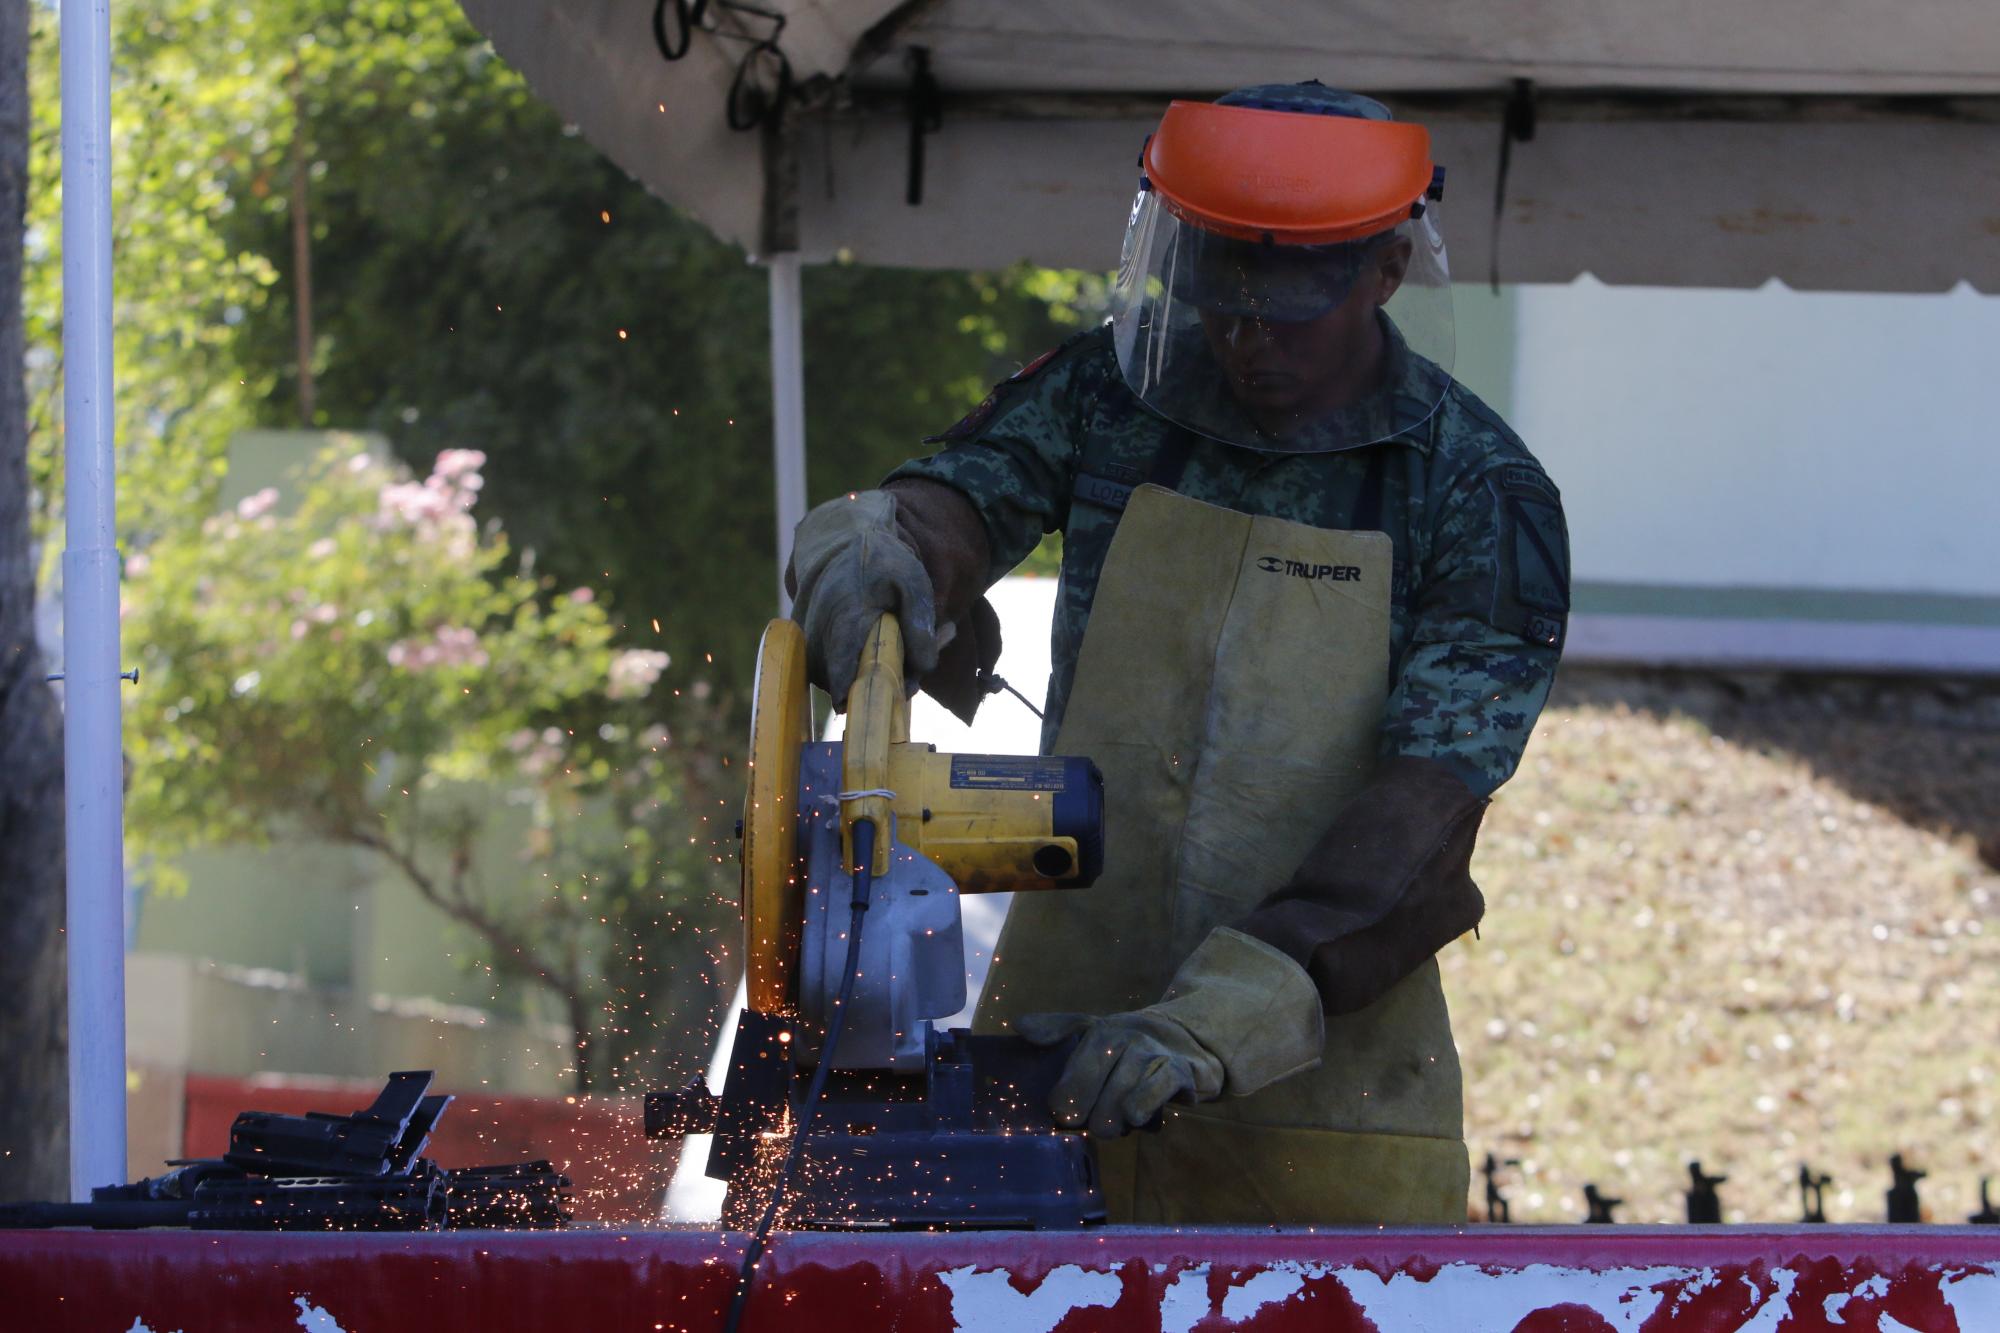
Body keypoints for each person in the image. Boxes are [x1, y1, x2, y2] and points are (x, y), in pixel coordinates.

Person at [785, 82, 1569, 1224]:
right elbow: (956, 498)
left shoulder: (1477, 494)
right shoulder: (1109, 398)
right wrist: (884, 554)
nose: (1247, 341)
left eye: (1287, 311)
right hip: (1055, 1067)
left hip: (1322, 1106)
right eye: (1221, 302)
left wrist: (1215, 1021)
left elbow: (1427, 809)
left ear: (1385, 271)